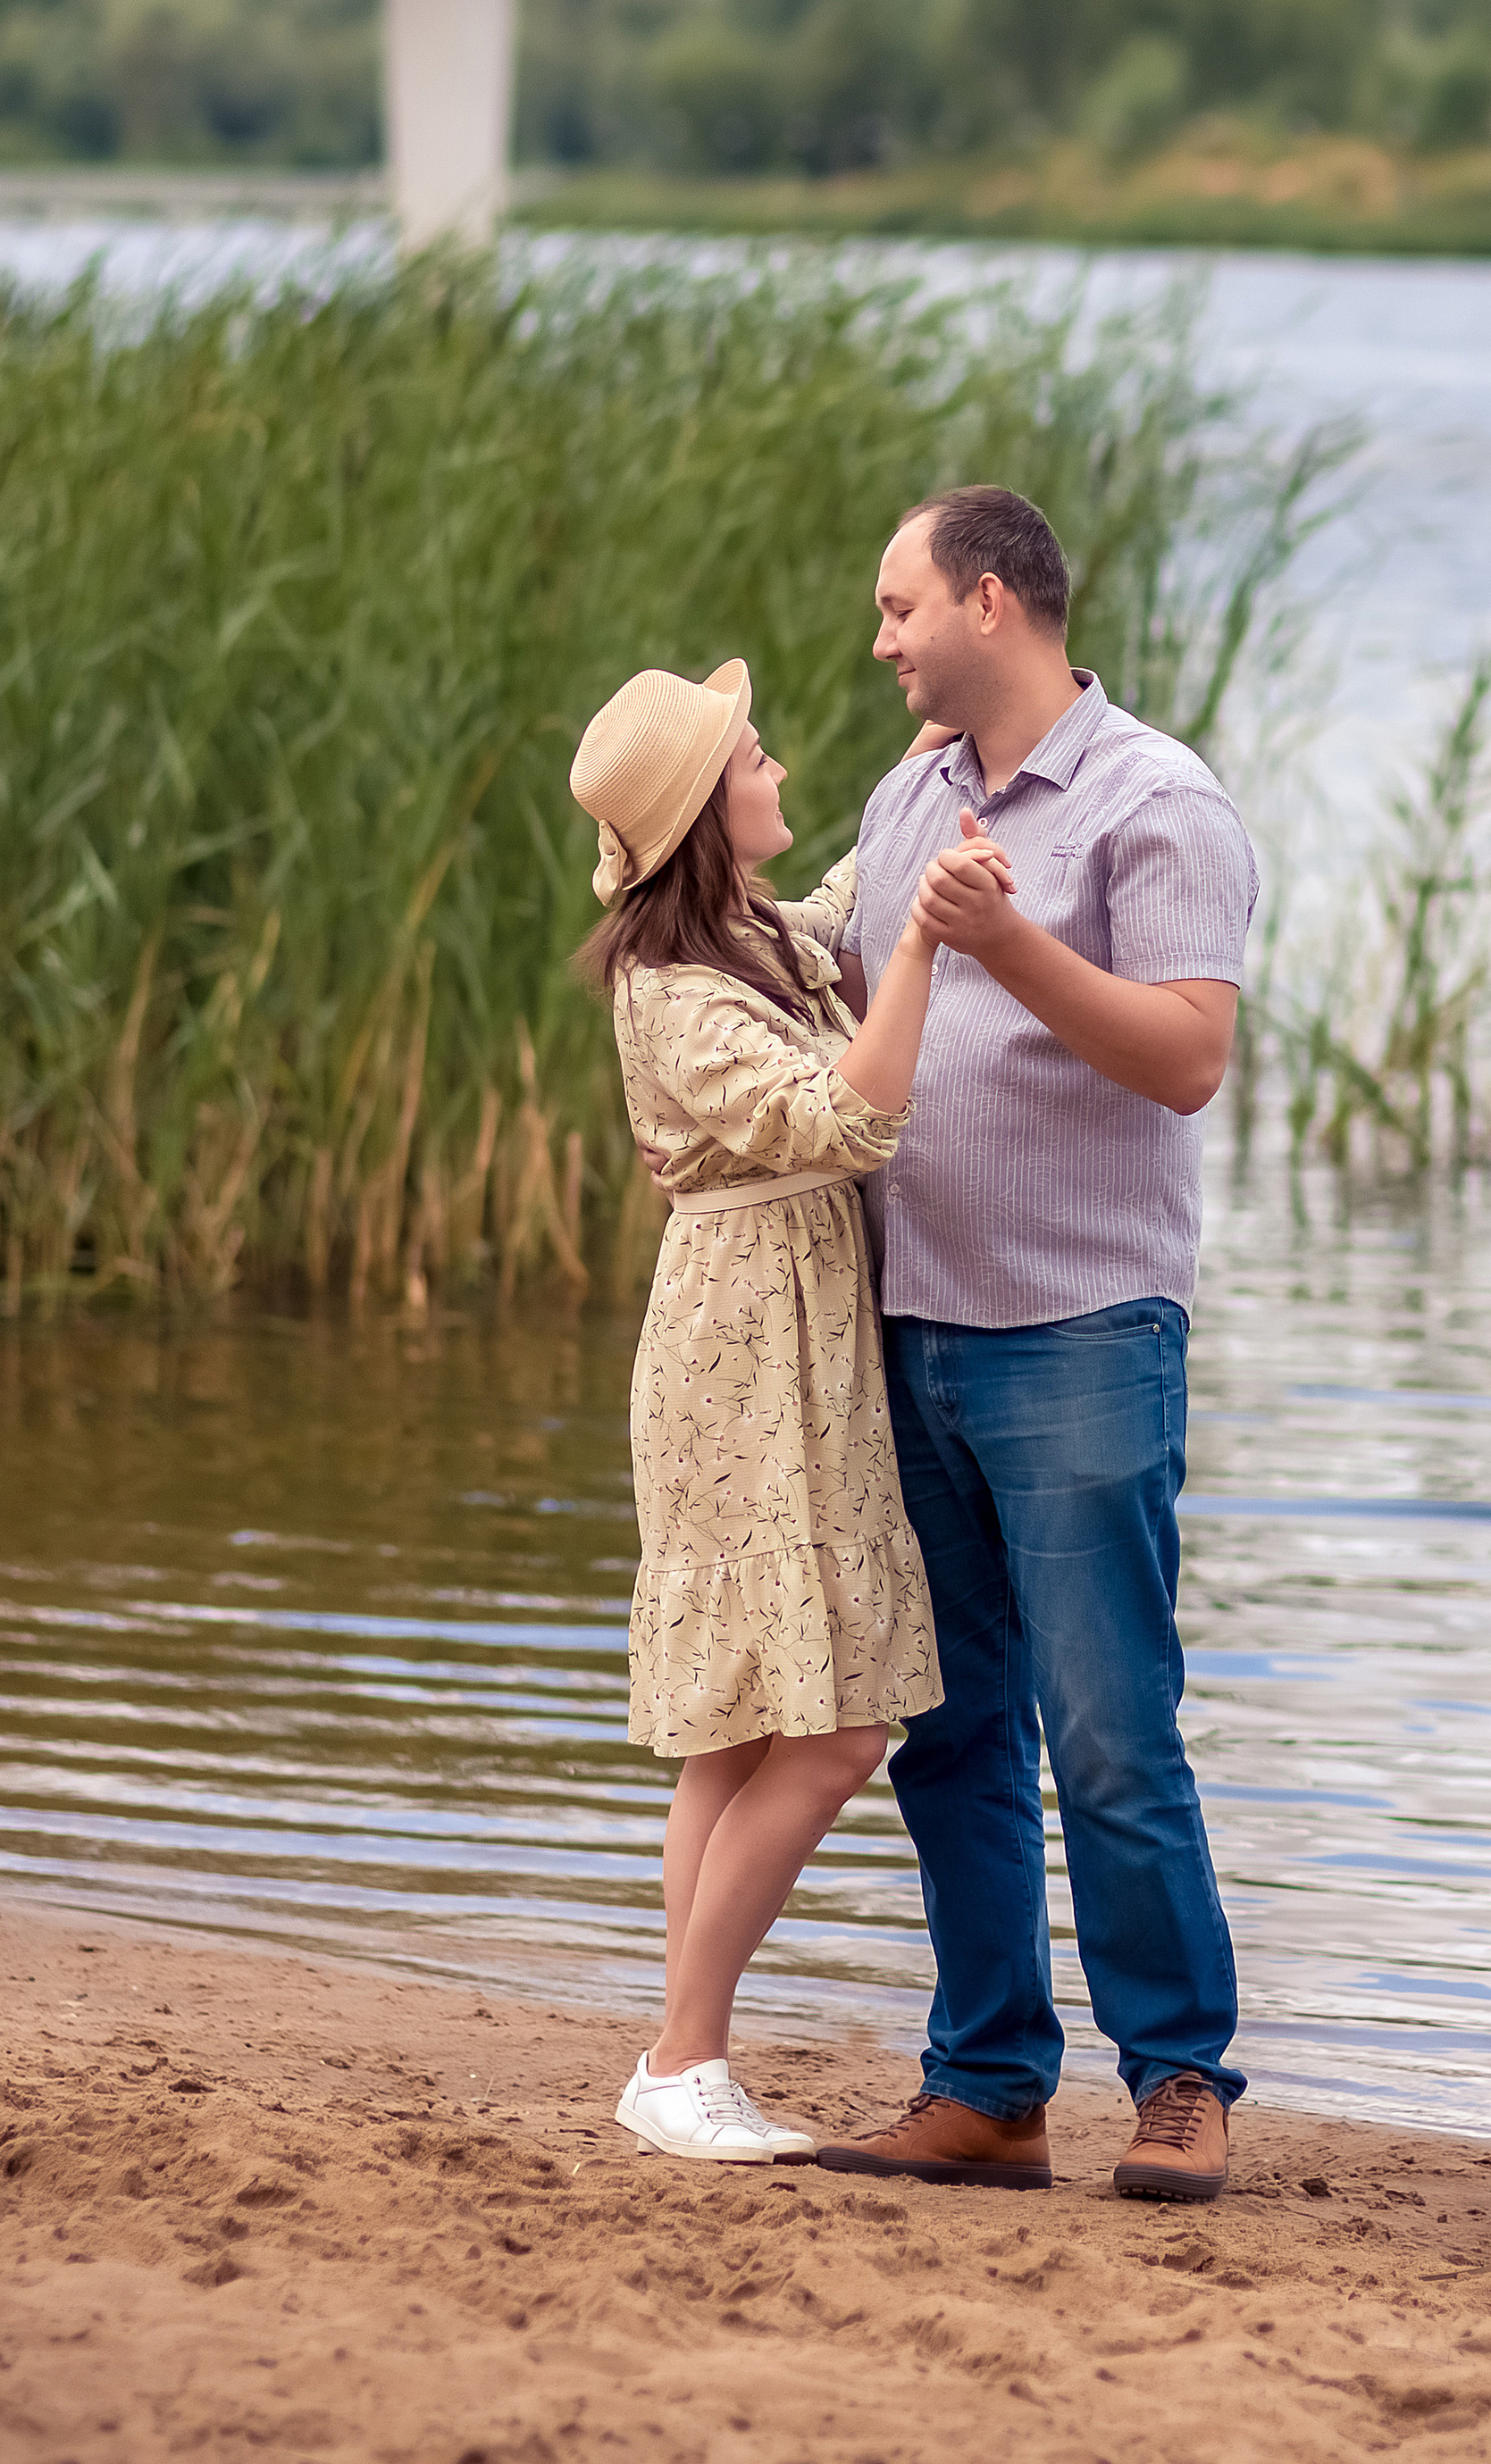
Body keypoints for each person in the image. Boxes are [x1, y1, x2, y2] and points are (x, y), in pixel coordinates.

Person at [813, 486, 1259, 2205]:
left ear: (989, 601)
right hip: (911, 1321)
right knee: (952, 1733)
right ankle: (990, 2086)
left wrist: (1011, 939)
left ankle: (1180, 2078)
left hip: (1081, 1330)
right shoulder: (908, 794)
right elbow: (858, 1008)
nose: (882, 638)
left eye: (899, 605)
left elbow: (1187, 1058)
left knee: (1112, 1730)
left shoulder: (1159, 800)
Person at [570, 656, 1007, 2165]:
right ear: (707, 811)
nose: (775, 767)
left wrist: (936, 762)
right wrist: (930, 947)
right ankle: (682, 2055)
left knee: (735, 1736)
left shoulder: (746, 933)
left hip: (788, 1339)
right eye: (752, 756)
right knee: (832, 1731)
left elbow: (837, 902)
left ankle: (681, 2060)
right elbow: (851, 1115)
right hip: (746, 1355)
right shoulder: (677, 990)